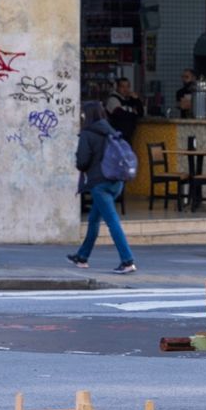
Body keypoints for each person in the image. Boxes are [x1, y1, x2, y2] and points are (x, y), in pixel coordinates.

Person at [67, 102, 137, 275]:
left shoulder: (87, 134)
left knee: (112, 222)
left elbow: (82, 162)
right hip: (116, 182)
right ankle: (82, 257)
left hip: (100, 184)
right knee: (93, 220)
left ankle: (127, 261)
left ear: (87, 116)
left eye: (82, 114)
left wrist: (81, 161)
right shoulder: (110, 131)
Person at [105, 78, 144, 143]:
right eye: (122, 87)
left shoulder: (129, 100)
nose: (125, 89)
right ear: (117, 87)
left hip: (128, 136)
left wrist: (137, 100)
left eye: (127, 87)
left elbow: (141, 113)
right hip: (116, 136)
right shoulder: (113, 99)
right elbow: (120, 115)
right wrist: (134, 115)